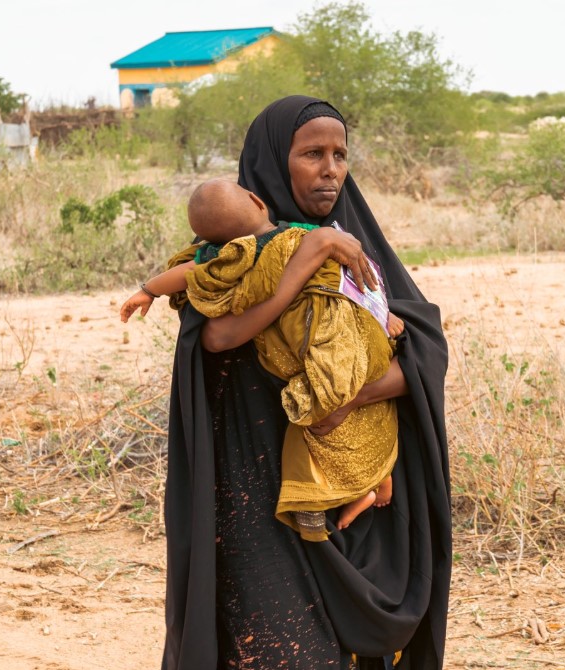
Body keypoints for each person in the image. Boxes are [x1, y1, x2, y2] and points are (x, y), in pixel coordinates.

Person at [149, 96, 451, 669]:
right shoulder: (232, 255)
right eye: (312, 153)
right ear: (271, 165)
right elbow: (213, 340)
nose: (330, 168)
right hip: (256, 506)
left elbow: (424, 350)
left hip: (344, 492)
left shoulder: (358, 249)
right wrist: (305, 258)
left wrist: (344, 396)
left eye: (339, 153)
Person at [119, 179, 403, 537]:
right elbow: (346, 281)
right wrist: (383, 314)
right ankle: (378, 479)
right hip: (346, 330)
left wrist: (147, 290)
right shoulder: (305, 234)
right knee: (357, 410)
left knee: (318, 420)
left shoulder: (230, 257)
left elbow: (188, 273)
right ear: (258, 200)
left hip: (310, 343)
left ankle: (334, 496)